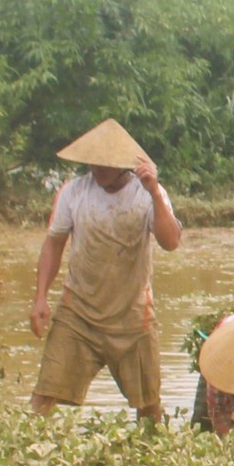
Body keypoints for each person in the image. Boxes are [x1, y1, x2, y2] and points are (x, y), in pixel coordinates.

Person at [29, 120, 183, 423]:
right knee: (43, 395)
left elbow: (171, 242)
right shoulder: (74, 192)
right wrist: (40, 298)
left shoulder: (147, 193)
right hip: (79, 313)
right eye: (92, 163)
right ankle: (22, 451)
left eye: (104, 164)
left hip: (132, 316)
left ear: (122, 164)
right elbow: (54, 244)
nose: (96, 169)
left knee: (149, 405)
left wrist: (153, 192)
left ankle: (152, 460)